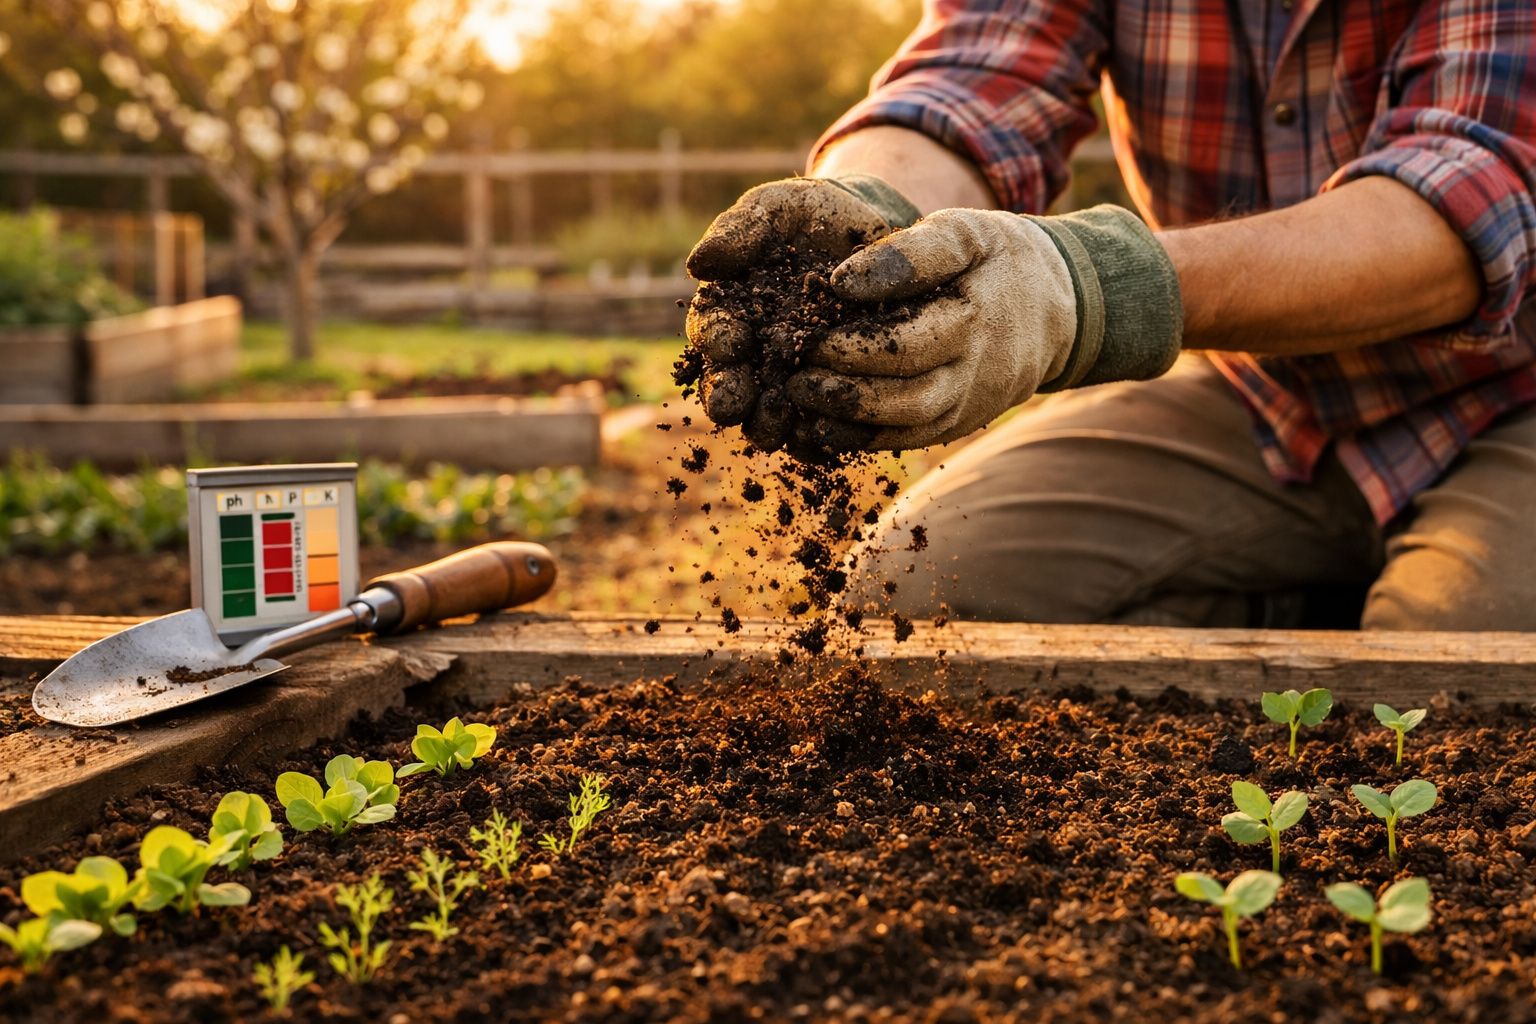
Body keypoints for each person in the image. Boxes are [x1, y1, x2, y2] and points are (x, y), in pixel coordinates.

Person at [684, 0, 1536, 630]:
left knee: (1451, 692)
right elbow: (970, 81)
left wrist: (1091, 287)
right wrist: (866, 206)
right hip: (1265, 395)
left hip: (1510, 394)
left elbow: (1463, 202)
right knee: (910, 599)